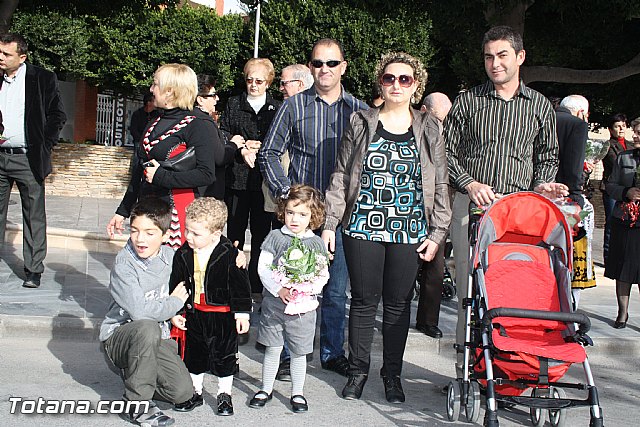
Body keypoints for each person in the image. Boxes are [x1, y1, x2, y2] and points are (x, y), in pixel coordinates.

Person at [323, 51, 451, 403]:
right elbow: (341, 174)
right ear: (381, 81)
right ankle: (358, 370)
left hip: (410, 228)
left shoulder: (429, 126)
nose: (396, 84)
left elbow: (440, 182)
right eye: (389, 78)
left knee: (398, 304)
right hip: (362, 224)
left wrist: (438, 232)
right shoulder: (361, 121)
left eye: (405, 79)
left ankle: (392, 375)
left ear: (416, 85)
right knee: (363, 302)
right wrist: (330, 223)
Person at [445, 25, 568, 374]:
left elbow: (547, 157)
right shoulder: (468, 101)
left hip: (520, 215)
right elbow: (446, 153)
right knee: (471, 292)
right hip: (473, 210)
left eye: (502, 55)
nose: (494, 63)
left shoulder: (540, 106)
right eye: (488, 56)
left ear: (520, 57)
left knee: (519, 289)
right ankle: (466, 371)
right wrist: (469, 183)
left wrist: (543, 186)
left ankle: (517, 365)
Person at [259, 38, 368, 378]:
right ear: (310, 67)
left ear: (343, 67)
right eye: (318, 63)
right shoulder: (293, 107)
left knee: (335, 291)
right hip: (300, 220)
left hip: (342, 217)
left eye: (332, 63)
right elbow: (268, 153)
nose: (324, 69)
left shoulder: (360, 112)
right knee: (293, 286)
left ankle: (332, 353)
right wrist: (286, 193)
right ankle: (291, 354)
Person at [99, 197, 193, 426]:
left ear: (163, 236)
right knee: (147, 326)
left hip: (157, 338)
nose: (140, 239)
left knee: (181, 392)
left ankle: (137, 374)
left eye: (149, 233)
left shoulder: (171, 258)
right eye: (135, 231)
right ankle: (137, 405)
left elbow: (203, 263)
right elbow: (140, 312)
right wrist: (172, 305)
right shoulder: (125, 264)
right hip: (120, 338)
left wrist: (235, 257)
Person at [106, 63, 219, 249]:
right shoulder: (155, 121)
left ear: (170, 91)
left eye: (155, 84)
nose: (151, 89)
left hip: (175, 215)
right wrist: (123, 211)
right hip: (147, 212)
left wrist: (162, 177)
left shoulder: (198, 124)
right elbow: (139, 169)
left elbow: (206, 174)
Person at [169, 197, 251, 416]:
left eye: (196, 234)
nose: (189, 237)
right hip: (195, 313)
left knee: (224, 356)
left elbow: (240, 286)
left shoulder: (230, 255)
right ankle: (195, 391)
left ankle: (225, 394)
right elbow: (175, 283)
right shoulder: (183, 253)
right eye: (188, 230)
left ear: (215, 234)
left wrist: (242, 314)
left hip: (222, 316)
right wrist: (176, 311)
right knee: (195, 355)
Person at [251, 184, 329, 413]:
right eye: (290, 212)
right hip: (275, 305)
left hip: (303, 307)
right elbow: (263, 268)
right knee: (273, 349)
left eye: (302, 214)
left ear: (312, 216)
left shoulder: (316, 243)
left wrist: (307, 287)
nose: (295, 219)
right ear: (283, 212)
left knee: (298, 352)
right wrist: (279, 290)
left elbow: (323, 273)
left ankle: (297, 392)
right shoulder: (275, 237)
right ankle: (266, 387)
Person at [0, 33, 66, 288]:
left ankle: (33, 269)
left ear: (22, 57)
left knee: (33, 215)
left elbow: (57, 115)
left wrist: (44, 145)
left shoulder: (42, 78)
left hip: (28, 158)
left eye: (7, 54)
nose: (1, 58)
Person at [219, 58, 281, 295]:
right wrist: (242, 147)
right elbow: (223, 132)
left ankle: (256, 284)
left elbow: (281, 137)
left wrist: (262, 147)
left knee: (261, 235)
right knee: (234, 232)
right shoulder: (234, 104)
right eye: (249, 80)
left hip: (264, 182)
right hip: (237, 179)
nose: (253, 85)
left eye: (259, 81)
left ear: (268, 82)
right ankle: (232, 280)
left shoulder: (275, 107)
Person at [415, 91, 453, 338]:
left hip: (437, 209)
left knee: (436, 269)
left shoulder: (445, 135)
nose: (439, 124)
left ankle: (428, 320)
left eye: (443, 120)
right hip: (410, 206)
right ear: (424, 110)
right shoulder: (409, 127)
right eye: (437, 119)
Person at [555, 95, 596, 308]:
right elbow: (573, 169)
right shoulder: (577, 125)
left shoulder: (544, 119)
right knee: (571, 254)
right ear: (581, 112)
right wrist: (578, 197)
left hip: (539, 197)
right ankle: (570, 308)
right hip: (567, 200)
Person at [604, 116, 640, 329]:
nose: (634, 135)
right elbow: (611, 186)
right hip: (625, 220)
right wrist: (627, 192)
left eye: (638, 132)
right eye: (634, 131)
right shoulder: (623, 158)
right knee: (623, 268)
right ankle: (622, 313)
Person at [195, 74, 236, 200]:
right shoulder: (204, 121)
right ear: (200, 99)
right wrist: (234, 145)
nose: (217, 99)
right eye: (212, 95)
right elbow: (220, 157)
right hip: (206, 192)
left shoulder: (188, 118)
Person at [601, 113, 630, 262]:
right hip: (612, 188)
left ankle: (624, 255)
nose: (621, 129)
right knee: (612, 222)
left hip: (628, 190)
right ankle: (608, 256)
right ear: (611, 129)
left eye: (623, 126)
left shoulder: (631, 146)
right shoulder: (608, 145)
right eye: (617, 126)